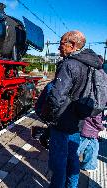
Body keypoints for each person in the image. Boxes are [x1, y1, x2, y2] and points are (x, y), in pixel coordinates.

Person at [45, 30, 103, 188]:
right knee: (72, 159)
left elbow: (57, 97)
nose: (58, 48)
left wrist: (49, 117)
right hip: (78, 120)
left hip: (62, 120)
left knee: (58, 163)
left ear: (72, 45)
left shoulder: (70, 64)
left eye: (61, 43)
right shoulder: (91, 64)